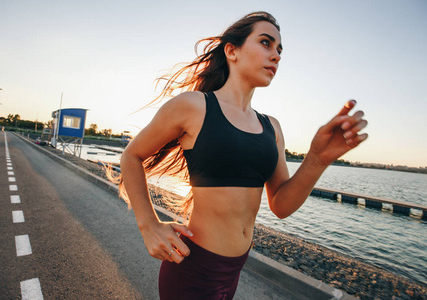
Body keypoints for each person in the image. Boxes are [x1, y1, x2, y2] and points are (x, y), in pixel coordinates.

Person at [116, 11, 368, 299]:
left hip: (233, 271)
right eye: (266, 43)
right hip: (192, 268)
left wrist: (317, 159)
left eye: (279, 49)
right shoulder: (194, 106)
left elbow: (281, 205)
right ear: (231, 51)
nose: (276, 55)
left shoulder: (271, 127)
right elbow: (131, 156)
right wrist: (149, 224)